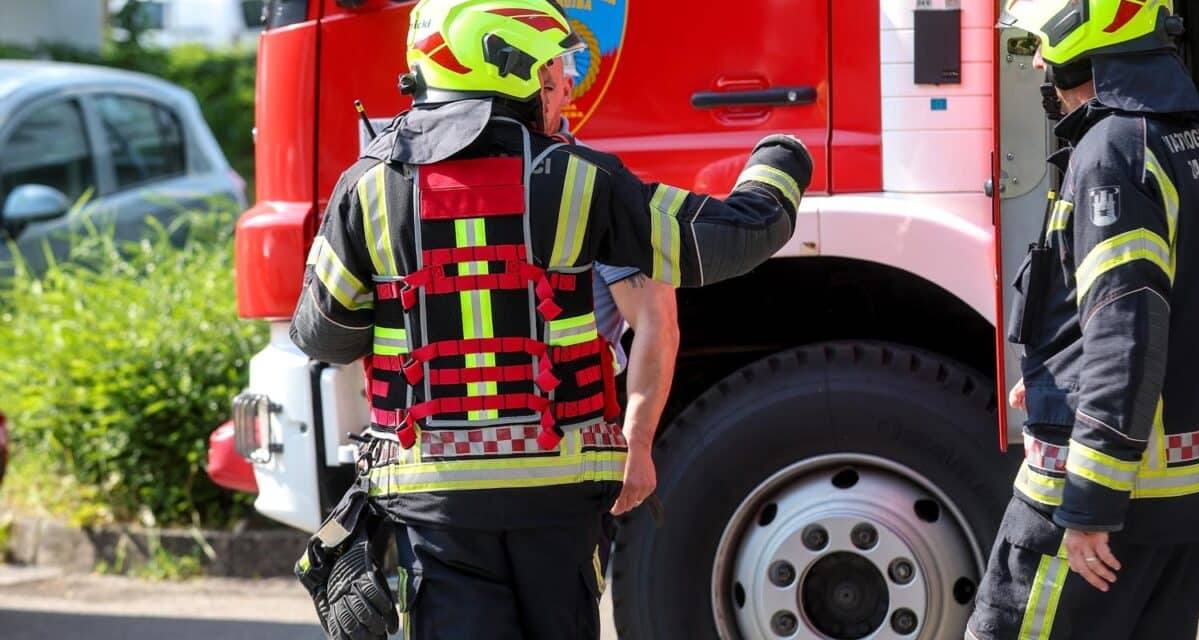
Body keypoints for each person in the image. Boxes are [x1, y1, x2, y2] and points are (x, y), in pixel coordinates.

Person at [288, 1, 812, 639]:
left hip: (434, 507)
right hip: (557, 502)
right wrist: (780, 162)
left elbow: (325, 336)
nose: (565, 82)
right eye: (552, 68)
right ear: (509, 70)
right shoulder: (581, 180)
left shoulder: (367, 186)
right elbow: (730, 238)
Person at [968, 2, 1199, 639]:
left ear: (1083, 35)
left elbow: (1126, 334)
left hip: (1106, 509)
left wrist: (1091, 503)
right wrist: (1060, 375)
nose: (1039, 62)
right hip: (1184, 507)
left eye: (1042, 46)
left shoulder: (1113, 153)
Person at [538, 52, 678, 561]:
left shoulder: (594, 187)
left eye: (546, 87)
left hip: (568, 444)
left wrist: (636, 444)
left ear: (569, 91)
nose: (530, 101)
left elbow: (656, 322)